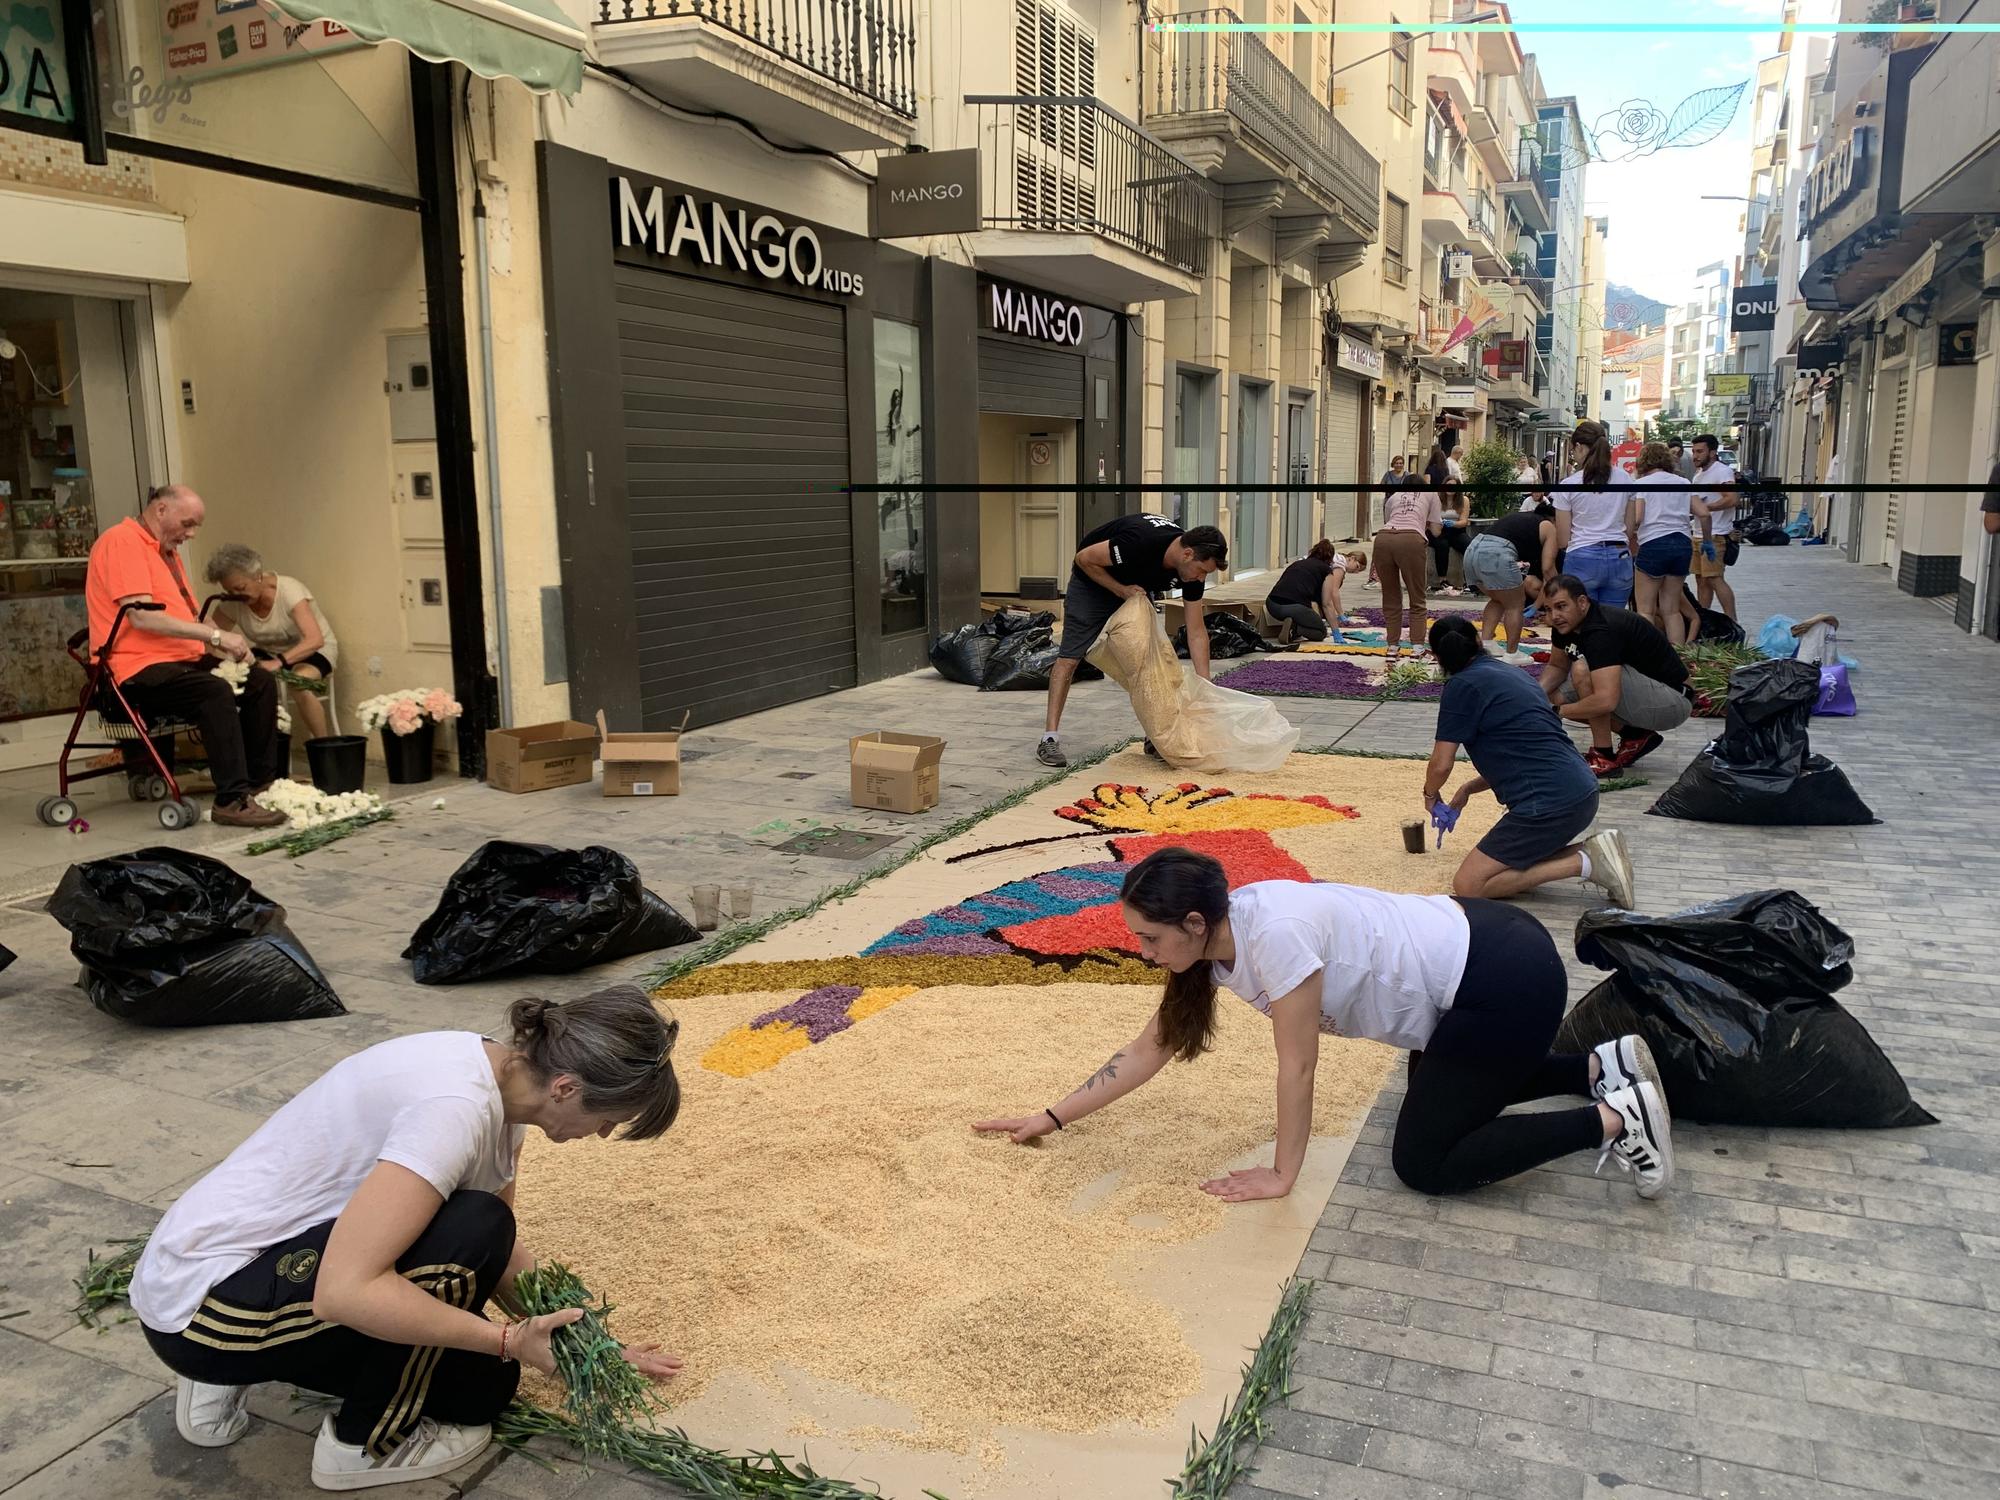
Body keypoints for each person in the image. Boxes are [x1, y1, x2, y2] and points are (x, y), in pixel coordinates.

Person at [130, 987, 684, 1491]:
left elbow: (497, 1255)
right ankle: (362, 1447)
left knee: (482, 1388)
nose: (605, 1133)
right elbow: (346, 1292)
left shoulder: (502, 1075)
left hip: (233, 1264)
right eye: (610, 1117)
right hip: (206, 1310)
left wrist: (585, 1343)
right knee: (476, 1240)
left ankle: (234, 1370)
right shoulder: (454, 1110)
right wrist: (509, 1341)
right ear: (567, 1088)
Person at [971, 848, 1674, 1202]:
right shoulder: (1212, 942)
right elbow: (1150, 1048)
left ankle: (1616, 1118)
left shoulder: (1271, 934)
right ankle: (1594, 1068)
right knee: (1452, 1090)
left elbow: (1298, 1065)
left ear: (1192, 923)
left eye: (1149, 939)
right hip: (1477, 966)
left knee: (1424, 1163)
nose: (1143, 952)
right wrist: (1050, 1117)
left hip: (1502, 978)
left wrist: (1284, 1174)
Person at [83, 485, 284, 828]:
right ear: (161, 510)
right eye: (188, 524)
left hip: (180, 660)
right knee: (213, 691)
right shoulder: (122, 541)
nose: (190, 534)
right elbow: (141, 617)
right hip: (136, 668)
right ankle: (231, 800)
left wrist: (229, 645)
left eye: (195, 527)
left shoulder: (165, 552)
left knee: (260, 681)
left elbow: (189, 617)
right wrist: (216, 635)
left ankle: (261, 783)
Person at [1424, 617, 1634, 907]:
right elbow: (1526, 750)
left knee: (1470, 884)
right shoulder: (1512, 674)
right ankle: (1596, 849)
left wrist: (1431, 795)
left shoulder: (1460, 688)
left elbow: (1441, 764)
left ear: (1436, 657)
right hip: (1581, 791)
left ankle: (1585, 863)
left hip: (1549, 805)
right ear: (1477, 642)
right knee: (1506, 863)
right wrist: (1469, 789)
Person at [1041, 514, 1228, 768]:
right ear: (1187, 555)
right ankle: (1049, 739)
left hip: (1135, 591)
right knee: (1070, 659)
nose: (1201, 579)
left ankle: (1156, 736)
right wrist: (1120, 589)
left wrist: (1206, 686)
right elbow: (1083, 558)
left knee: (1152, 665)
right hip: (1093, 582)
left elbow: (1196, 631)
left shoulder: (1191, 573)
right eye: (1203, 571)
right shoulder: (1141, 541)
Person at [1539, 573, 1692, 774]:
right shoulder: (1564, 626)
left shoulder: (1601, 630)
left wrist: (1554, 712)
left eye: (1561, 606)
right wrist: (1533, 698)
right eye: (1549, 609)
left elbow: (1605, 700)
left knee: (1582, 671)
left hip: (1673, 701)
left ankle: (1604, 756)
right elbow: (1557, 667)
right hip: (1644, 691)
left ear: (1582, 602)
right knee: (1549, 696)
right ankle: (1635, 735)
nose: (1555, 616)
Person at [205, 543, 341, 742]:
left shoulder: (289, 590)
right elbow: (211, 635)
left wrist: (277, 663)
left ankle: (324, 747)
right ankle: (257, 751)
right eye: (230, 591)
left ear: (258, 575)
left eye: (240, 588)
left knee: (298, 683)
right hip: (268, 653)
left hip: (313, 651)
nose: (236, 596)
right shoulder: (233, 602)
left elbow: (315, 639)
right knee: (233, 684)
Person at [1627, 441, 1709, 647]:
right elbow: (1704, 513)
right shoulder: (1683, 483)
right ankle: (1678, 658)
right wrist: (1707, 541)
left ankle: (1647, 658)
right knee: (1671, 609)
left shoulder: (1641, 485)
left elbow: (1637, 517)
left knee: (1645, 609)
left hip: (1653, 543)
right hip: (1682, 544)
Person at [1549, 421, 1637, 611]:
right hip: (1619, 555)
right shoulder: (1626, 479)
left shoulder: (1568, 485)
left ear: (1579, 447)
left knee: (1583, 623)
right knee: (1614, 623)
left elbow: (1563, 539)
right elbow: (1630, 528)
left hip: (1582, 556)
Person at [1463, 505, 1557, 655]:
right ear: (1554, 519)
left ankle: (1486, 642)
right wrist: (1560, 594)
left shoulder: (1520, 518)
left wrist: (1538, 605)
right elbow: (1548, 569)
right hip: (1495, 553)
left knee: (1499, 599)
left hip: (1472, 551)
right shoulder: (1548, 526)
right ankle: (1512, 653)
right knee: (1515, 605)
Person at [1374, 473, 1444, 661]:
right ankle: (1417, 648)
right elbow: (1437, 531)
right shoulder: (1431, 495)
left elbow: (1388, 520)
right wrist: (1425, 523)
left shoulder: (1394, 496)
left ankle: (1392, 647)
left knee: (1390, 596)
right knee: (1417, 596)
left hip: (1383, 538)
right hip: (1411, 540)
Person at [1264, 539, 1367, 643]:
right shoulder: (1326, 570)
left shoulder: (1297, 563)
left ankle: (1290, 626)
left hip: (1271, 605)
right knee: (1320, 632)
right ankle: (1295, 629)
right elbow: (1327, 603)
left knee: (1305, 615)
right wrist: (1336, 632)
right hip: (1294, 608)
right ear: (1330, 559)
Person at [1689, 434, 1740, 620]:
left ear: (1712, 452)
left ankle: (1733, 620)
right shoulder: (1699, 475)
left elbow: (1733, 499)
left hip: (1716, 534)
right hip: (1698, 533)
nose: (1695, 456)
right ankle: (1704, 620)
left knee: (1715, 578)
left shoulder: (1722, 472)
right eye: (1694, 451)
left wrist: (1706, 508)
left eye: (1700, 451)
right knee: (1701, 580)